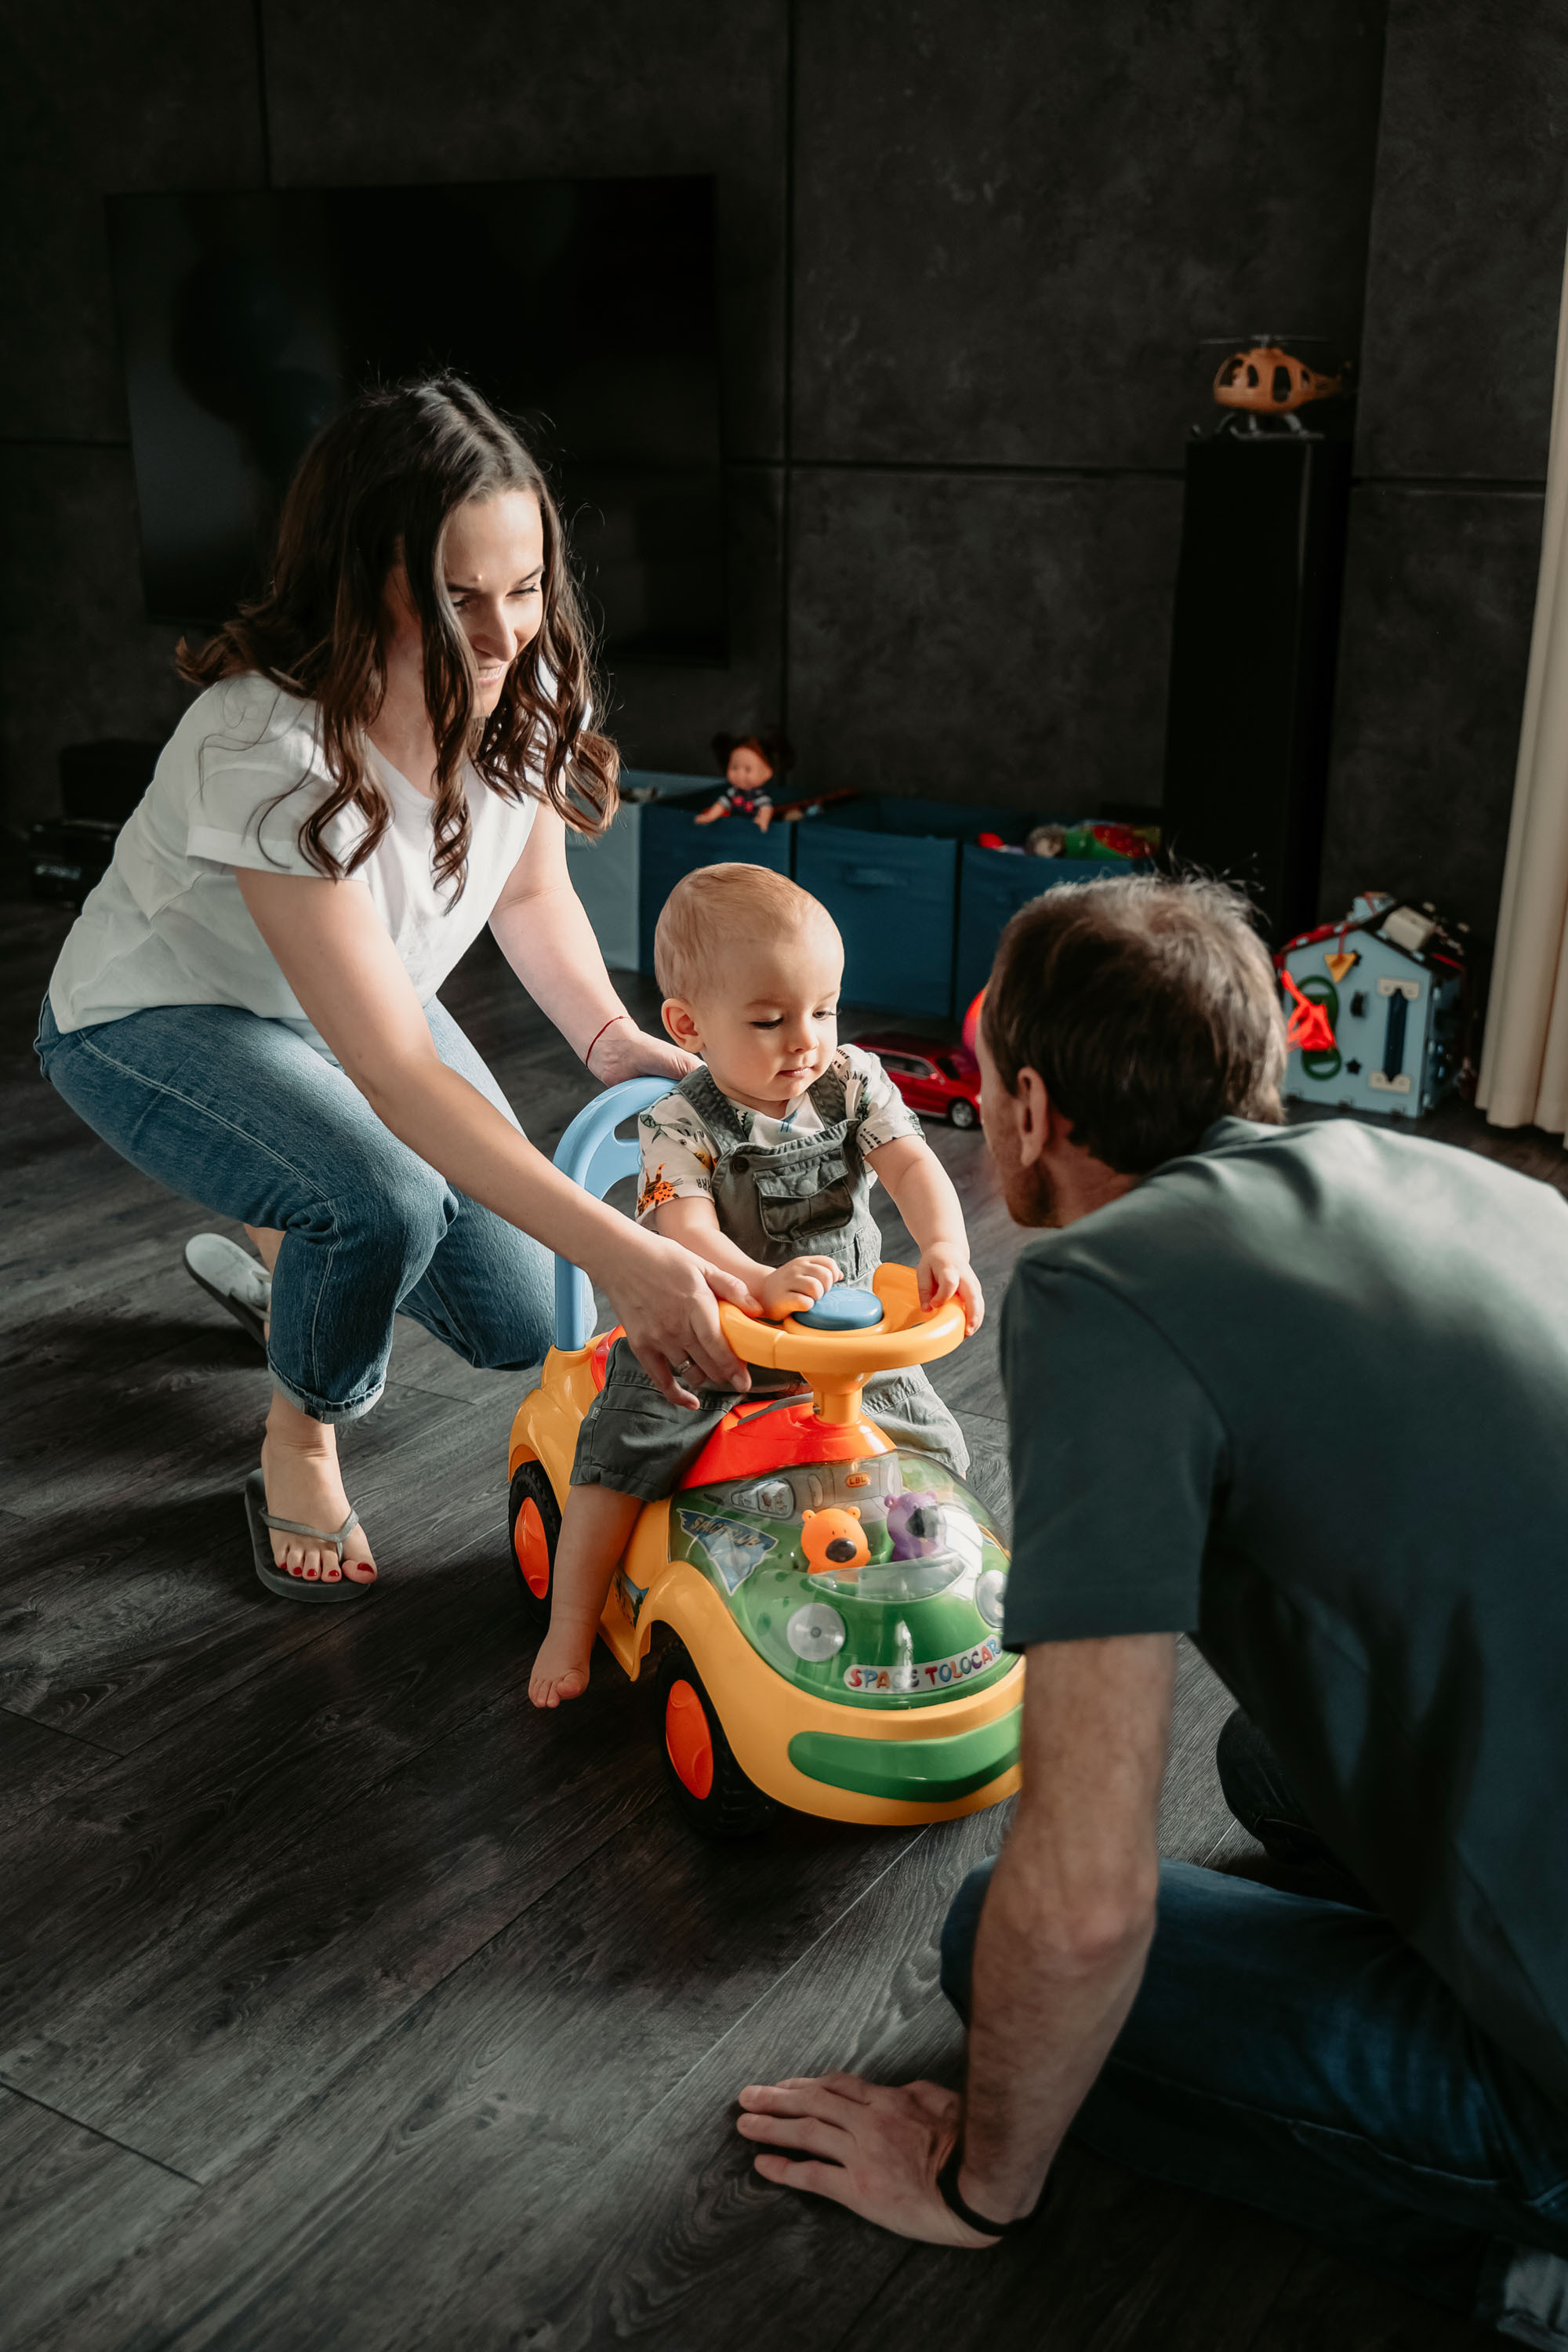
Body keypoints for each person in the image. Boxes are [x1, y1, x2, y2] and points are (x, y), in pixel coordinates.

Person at [736, 874, 1568, 2344]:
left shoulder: (1100, 1286)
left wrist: (984, 2185)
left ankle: (1525, 2259)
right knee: (1263, 1764)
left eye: (984, 1091)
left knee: (998, 1942)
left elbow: (1087, 1902)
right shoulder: (1445, 1173)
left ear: (1036, 1111)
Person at [36, 376, 753, 1602]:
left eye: (524, 590)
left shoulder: (521, 682)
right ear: (364, 573)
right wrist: (628, 1258)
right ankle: (298, 1435)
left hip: (350, 1005)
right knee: (382, 1199)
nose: (501, 632)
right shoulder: (259, 743)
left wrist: (607, 1035)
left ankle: (295, 1246)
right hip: (154, 1015)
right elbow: (395, 1072)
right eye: (455, 596)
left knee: (526, 1319)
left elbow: (527, 898)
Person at [528, 862, 983, 1706]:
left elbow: (913, 1165)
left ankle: (931, 1600)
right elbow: (686, 1233)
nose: (804, 1039)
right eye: (770, 1020)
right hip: (708, 1332)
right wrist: (754, 1282)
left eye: (822, 1009)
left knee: (940, 1452)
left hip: (841, 1348)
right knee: (620, 1452)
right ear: (687, 1025)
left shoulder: (851, 1080)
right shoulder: (676, 1119)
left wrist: (945, 1243)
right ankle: (571, 1620)